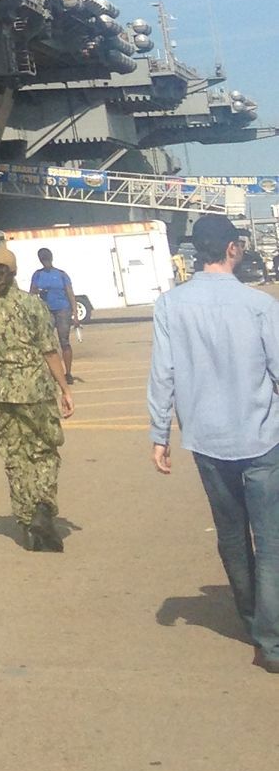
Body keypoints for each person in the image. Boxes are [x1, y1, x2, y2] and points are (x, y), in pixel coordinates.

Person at [148, 212, 279, 673]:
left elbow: (163, 373)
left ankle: (252, 619)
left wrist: (159, 434)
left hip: (206, 440)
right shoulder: (259, 305)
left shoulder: (170, 306)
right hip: (261, 438)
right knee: (271, 540)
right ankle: (271, 641)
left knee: (231, 534)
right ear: (232, 249)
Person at [0, 241, 73, 550]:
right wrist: (65, 389)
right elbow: (49, 350)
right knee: (44, 450)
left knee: (14, 456)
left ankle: (26, 522)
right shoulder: (32, 305)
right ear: (15, 273)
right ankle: (43, 507)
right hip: (34, 390)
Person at [29, 245, 80, 381]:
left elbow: (70, 294)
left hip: (63, 309)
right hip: (46, 310)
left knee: (64, 341)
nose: (45, 262)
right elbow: (31, 294)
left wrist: (75, 313)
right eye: (43, 260)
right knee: (47, 343)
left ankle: (68, 373)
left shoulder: (61, 274)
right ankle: (54, 372)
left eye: (46, 259)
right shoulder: (38, 275)